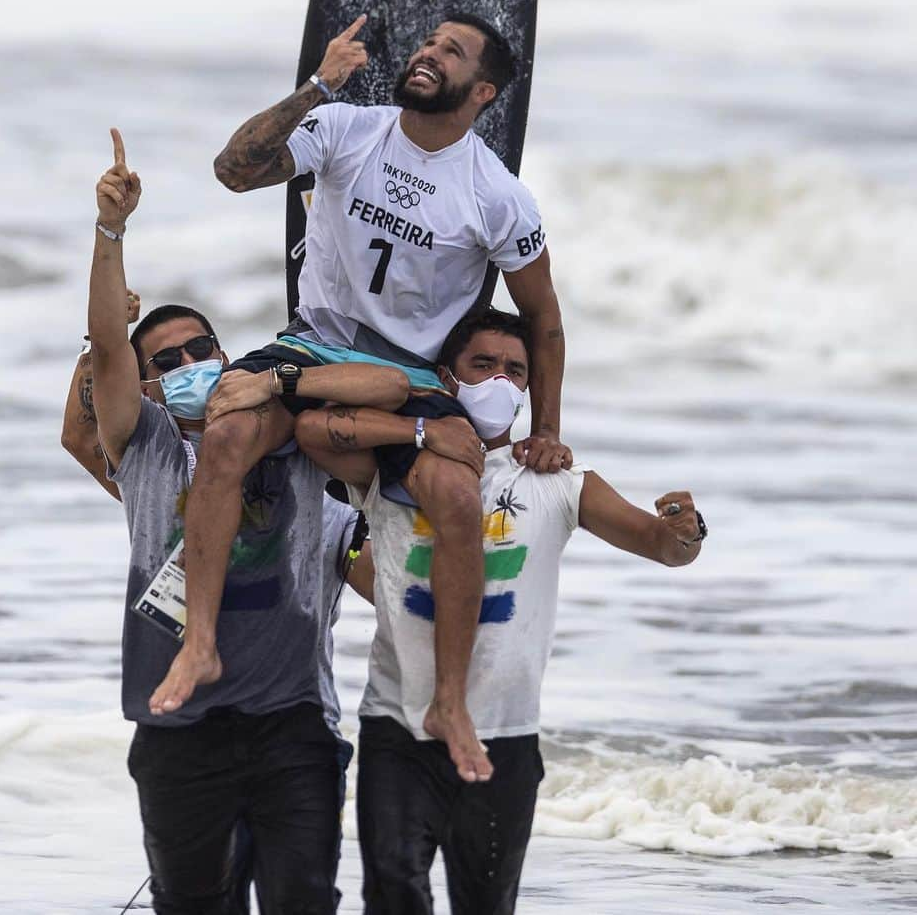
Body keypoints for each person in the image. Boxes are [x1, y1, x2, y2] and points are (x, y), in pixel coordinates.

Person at [154, 13, 571, 784]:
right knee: (225, 440)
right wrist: (317, 84)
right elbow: (234, 169)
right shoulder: (345, 127)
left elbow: (543, 319)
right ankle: (201, 641)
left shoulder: (498, 195)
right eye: (429, 40)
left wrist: (545, 428)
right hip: (312, 340)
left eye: (451, 51)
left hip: (410, 375)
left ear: (481, 91)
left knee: (454, 492)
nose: (427, 52)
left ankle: (448, 701)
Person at [84, 127, 407, 915]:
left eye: (204, 348)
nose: (190, 364)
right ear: (148, 386)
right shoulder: (149, 449)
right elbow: (103, 346)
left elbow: (390, 382)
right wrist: (110, 232)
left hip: (291, 723)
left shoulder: (294, 433)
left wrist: (287, 380)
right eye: (166, 360)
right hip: (176, 725)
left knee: (303, 901)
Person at [294, 306, 707, 915]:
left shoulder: (557, 481)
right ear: (447, 375)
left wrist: (687, 530)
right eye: (481, 364)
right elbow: (314, 428)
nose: (498, 380)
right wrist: (418, 430)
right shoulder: (393, 463)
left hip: (506, 739)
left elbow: (662, 547)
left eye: (515, 371)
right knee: (393, 895)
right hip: (398, 730)